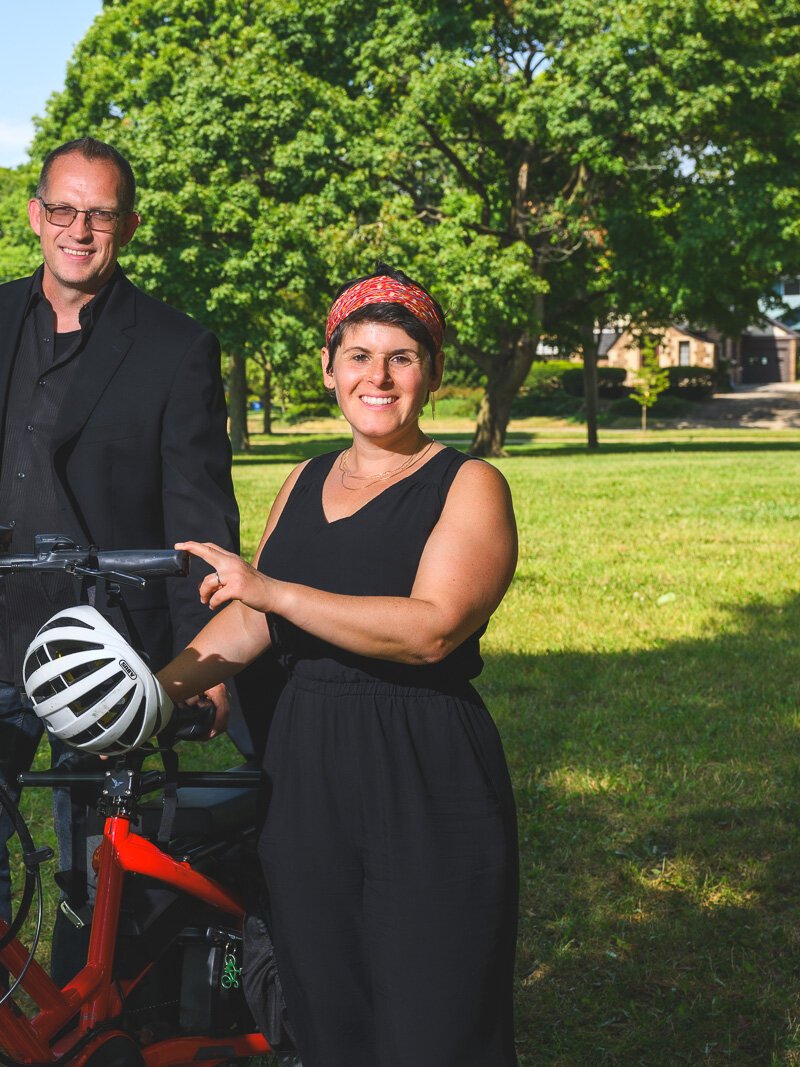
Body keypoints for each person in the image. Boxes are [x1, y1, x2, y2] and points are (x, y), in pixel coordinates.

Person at [0, 136, 239, 960]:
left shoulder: (176, 346)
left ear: (129, 226)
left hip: (105, 653)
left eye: (101, 213)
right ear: (37, 217)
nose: (80, 228)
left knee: (95, 874)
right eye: (64, 209)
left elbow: (198, 515)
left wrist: (204, 656)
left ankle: (90, 1029)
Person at [158, 266, 520, 1065]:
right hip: (305, 762)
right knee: (325, 1004)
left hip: (423, 766)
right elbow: (251, 616)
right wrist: (154, 691)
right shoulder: (304, 477)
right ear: (328, 368)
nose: (377, 377)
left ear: (432, 372)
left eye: (401, 357)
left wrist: (275, 590)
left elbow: (432, 630)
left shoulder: (470, 484)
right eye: (357, 355)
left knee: (436, 1010)